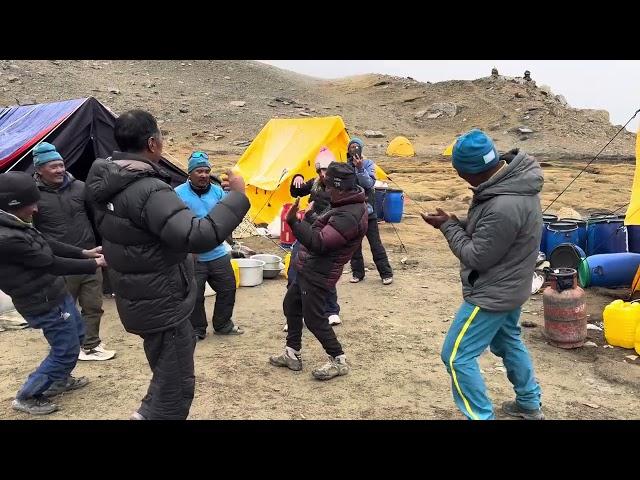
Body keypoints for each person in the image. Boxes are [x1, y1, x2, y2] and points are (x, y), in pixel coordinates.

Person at [85, 110, 250, 420]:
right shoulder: (148, 190)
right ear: (152, 143)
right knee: (174, 391)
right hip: (162, 300)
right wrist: (238, 196)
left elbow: (140, 235)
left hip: (141, 296)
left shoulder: (104, 182)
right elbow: (198, 236)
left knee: (165, 373)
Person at [421, 129, 544, 420]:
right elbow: (494, 232)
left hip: (493, 293)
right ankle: (529, 403)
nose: (460, 178)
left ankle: (480, 416)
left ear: (471, 171)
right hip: (513, 285)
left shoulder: (503, 203)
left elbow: (478, 255)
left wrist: (448, 228)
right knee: (507, 341)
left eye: (460, 172)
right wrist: (455, 221)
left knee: (455, 356)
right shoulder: (511, 184)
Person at [0, 172, 107, 415]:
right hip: (42, 301)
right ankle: (27, 395)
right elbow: (50, 262)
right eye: (31, 203)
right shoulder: (6, 238)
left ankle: (59, 380)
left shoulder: (15, 224)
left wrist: (84, 253)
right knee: (65, 350)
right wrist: (95, 265)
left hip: (54, 293)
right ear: (12, 204)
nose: (36, 209)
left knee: (78, 335)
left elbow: (44, 242)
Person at [269, 162, 368, 380]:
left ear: (340, 187)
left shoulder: (349, 214)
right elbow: (327, 229)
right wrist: (312, 218)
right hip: (310, 267)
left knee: (314, 319)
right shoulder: (344, 204)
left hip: (319, 272)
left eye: (329, 186)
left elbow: (321, 243)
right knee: (291, 305)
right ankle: (291, 353)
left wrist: (294, 222)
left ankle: (338, 359)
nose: (326, 189)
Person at [31, 142, 116, 361]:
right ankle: (67, 349)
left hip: (90, 257)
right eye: (52, 166)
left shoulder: (80, 187)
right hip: (59, 263)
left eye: (61, 165)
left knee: (93, 305)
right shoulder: (32, 195)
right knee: (63, 310)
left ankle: (91, 345)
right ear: (39, 169)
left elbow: (96, 216)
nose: (59, 170)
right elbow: (32, 232)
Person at [175, 151, 243, 339]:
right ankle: (197, 329)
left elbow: (228, 216)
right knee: (195, 296)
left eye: (206, 171)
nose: (204, 175)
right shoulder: (178, 194)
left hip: (218, 253)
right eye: (199, 171)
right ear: (190, 173)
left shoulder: (218, 192)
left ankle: (223, 324)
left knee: (228, 288)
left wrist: (230, 241)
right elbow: (174, 224)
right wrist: (186, 250)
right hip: (193, 256)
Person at [284, 147, 341, 330]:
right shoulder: (315, 183)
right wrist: (297, 178)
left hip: (326, 233)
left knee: (325, 271)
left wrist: (311, 216)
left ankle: (331, 310)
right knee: (295, 268)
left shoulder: (339, 189)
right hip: (307, 231)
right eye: (320, 170)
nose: (323, 174)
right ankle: (295, 313)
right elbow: (296, 192)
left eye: (326, 170)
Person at [346, 137, 393, 285]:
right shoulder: (345, 166)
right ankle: (357, 273)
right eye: (351, 147)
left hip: (368, 211)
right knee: (354, 245)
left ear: (361, 149)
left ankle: (386, 273)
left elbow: (369, 183)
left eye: (356, 146)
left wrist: (360, 169)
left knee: (375, 243)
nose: (354, 149)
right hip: (352, 212)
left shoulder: (368, 164)